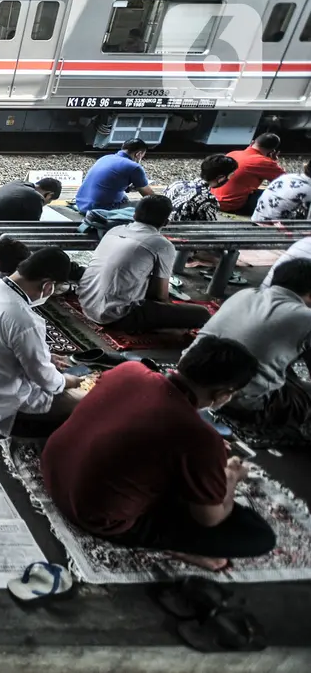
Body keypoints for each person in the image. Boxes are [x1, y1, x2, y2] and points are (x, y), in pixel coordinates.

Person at [42, 337, 274, 571]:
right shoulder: (199, 436)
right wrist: (232, 476)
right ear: (224, 394)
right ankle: (185, 549)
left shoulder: (129, 370)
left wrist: (204, 454)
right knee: (257, 533)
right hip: (94, 514)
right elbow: (209, 518)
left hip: (53, 473)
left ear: (184, 359)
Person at [0, 248, 85, 436]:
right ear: (47, 285)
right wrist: (68, 381)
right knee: (88, 402)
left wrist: (44, 355)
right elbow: (46, 379)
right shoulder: (25, 321)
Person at [194, 258, 311, 435]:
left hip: (193, 377)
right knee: (305, 394)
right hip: (238, 402)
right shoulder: (306, 318)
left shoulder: (244, 293)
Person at [77, 195, 210, 333]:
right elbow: (160, 296)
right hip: (117, 316)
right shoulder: (162, 245)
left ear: (134, 215)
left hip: (86, 304)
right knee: (202, 314)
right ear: (166, 222)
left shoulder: (114, 230)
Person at [0, 178, 63, 242]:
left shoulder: (18, 183)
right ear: (49, 195)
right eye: (48, 201)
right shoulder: (35, 198)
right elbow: (30, 234)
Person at [74, 138, 155, 213]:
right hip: (99, 209)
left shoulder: (105, 158)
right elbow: (149, 195)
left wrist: (129, 188)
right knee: (147, 205)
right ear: (139, 154)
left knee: (124, 197)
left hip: (82, 204)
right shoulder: (134, 167)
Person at [214, 133, 286, 216]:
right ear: (272, 151)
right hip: (232, 205)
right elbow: (285, 182)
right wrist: (273, 162)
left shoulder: (232, 153)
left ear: (252, 142)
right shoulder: (263, 161)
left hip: (214, 200)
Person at [167, 154, 238, 223]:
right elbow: (208, 227)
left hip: (163, 229)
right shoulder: (208, 200)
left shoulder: (176, 184)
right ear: (221, 178)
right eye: (230, 175)